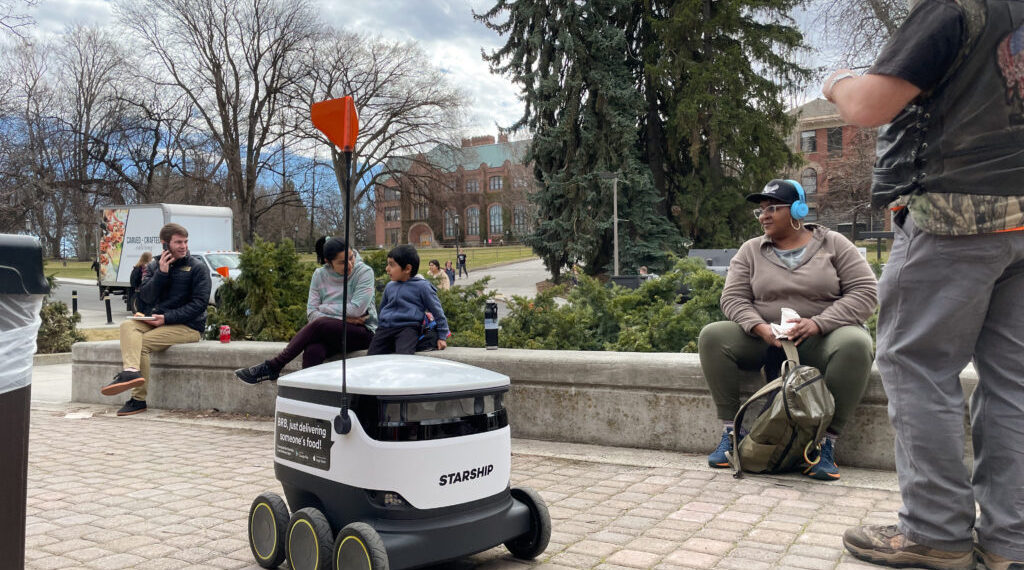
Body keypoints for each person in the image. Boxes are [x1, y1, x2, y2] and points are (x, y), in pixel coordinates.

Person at [823, 0, 1024, 566]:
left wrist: (837, 80)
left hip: (955, 215)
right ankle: (1011, 542)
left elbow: (869, 106)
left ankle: (936, 532)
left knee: (917, 366)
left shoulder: (956, 6)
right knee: (1013, 383)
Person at [697, 179, 877, 481]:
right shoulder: (751, 250)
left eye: (773, 209)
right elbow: (732, 297)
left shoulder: (833, 244)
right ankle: (732, 433)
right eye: (761, 211)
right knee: (713, 336)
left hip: (820, 338)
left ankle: (823, 444)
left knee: (856, 343)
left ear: (798, 210)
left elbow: (865, 292)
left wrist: (819, 323)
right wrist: (759, 327)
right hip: (766, 339)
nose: (764, 216)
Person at [100, 223, 210, 416]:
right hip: (158, 320)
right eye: (178, 242)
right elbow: (145, 298)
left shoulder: (197, 268)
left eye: (185, 242)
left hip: (188, 326)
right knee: (128, 325)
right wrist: (162, 273)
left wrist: (166, 318)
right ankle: (131, 371)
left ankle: (138, 400)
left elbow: (199, 304)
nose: (183, 246)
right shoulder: (154, 266)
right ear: (165, 244)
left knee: (142, 344)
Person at [234, 238, 378, 384]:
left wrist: (324, 309)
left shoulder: (364, 272)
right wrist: (345, 318)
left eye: (351, 257)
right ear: (328, 262)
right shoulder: (319, 275)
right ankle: (309, 399)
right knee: (313, 350)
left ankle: (274, 365)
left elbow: (356, 309)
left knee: (321, 323)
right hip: (331, 333)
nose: (349, 265)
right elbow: (311, 314)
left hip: (362, 332)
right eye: (342, 262)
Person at [367, 244, 449, 355]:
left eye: (391, 265)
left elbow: (437, 312)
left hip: (407, 328)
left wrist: (442, 336)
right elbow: (382, 310)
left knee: (404, 357)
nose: (387, 269)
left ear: (407, 268)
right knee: (372, 356)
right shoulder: (390, 286)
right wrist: (379, 327)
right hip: (385, 328)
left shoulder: (422, 287)